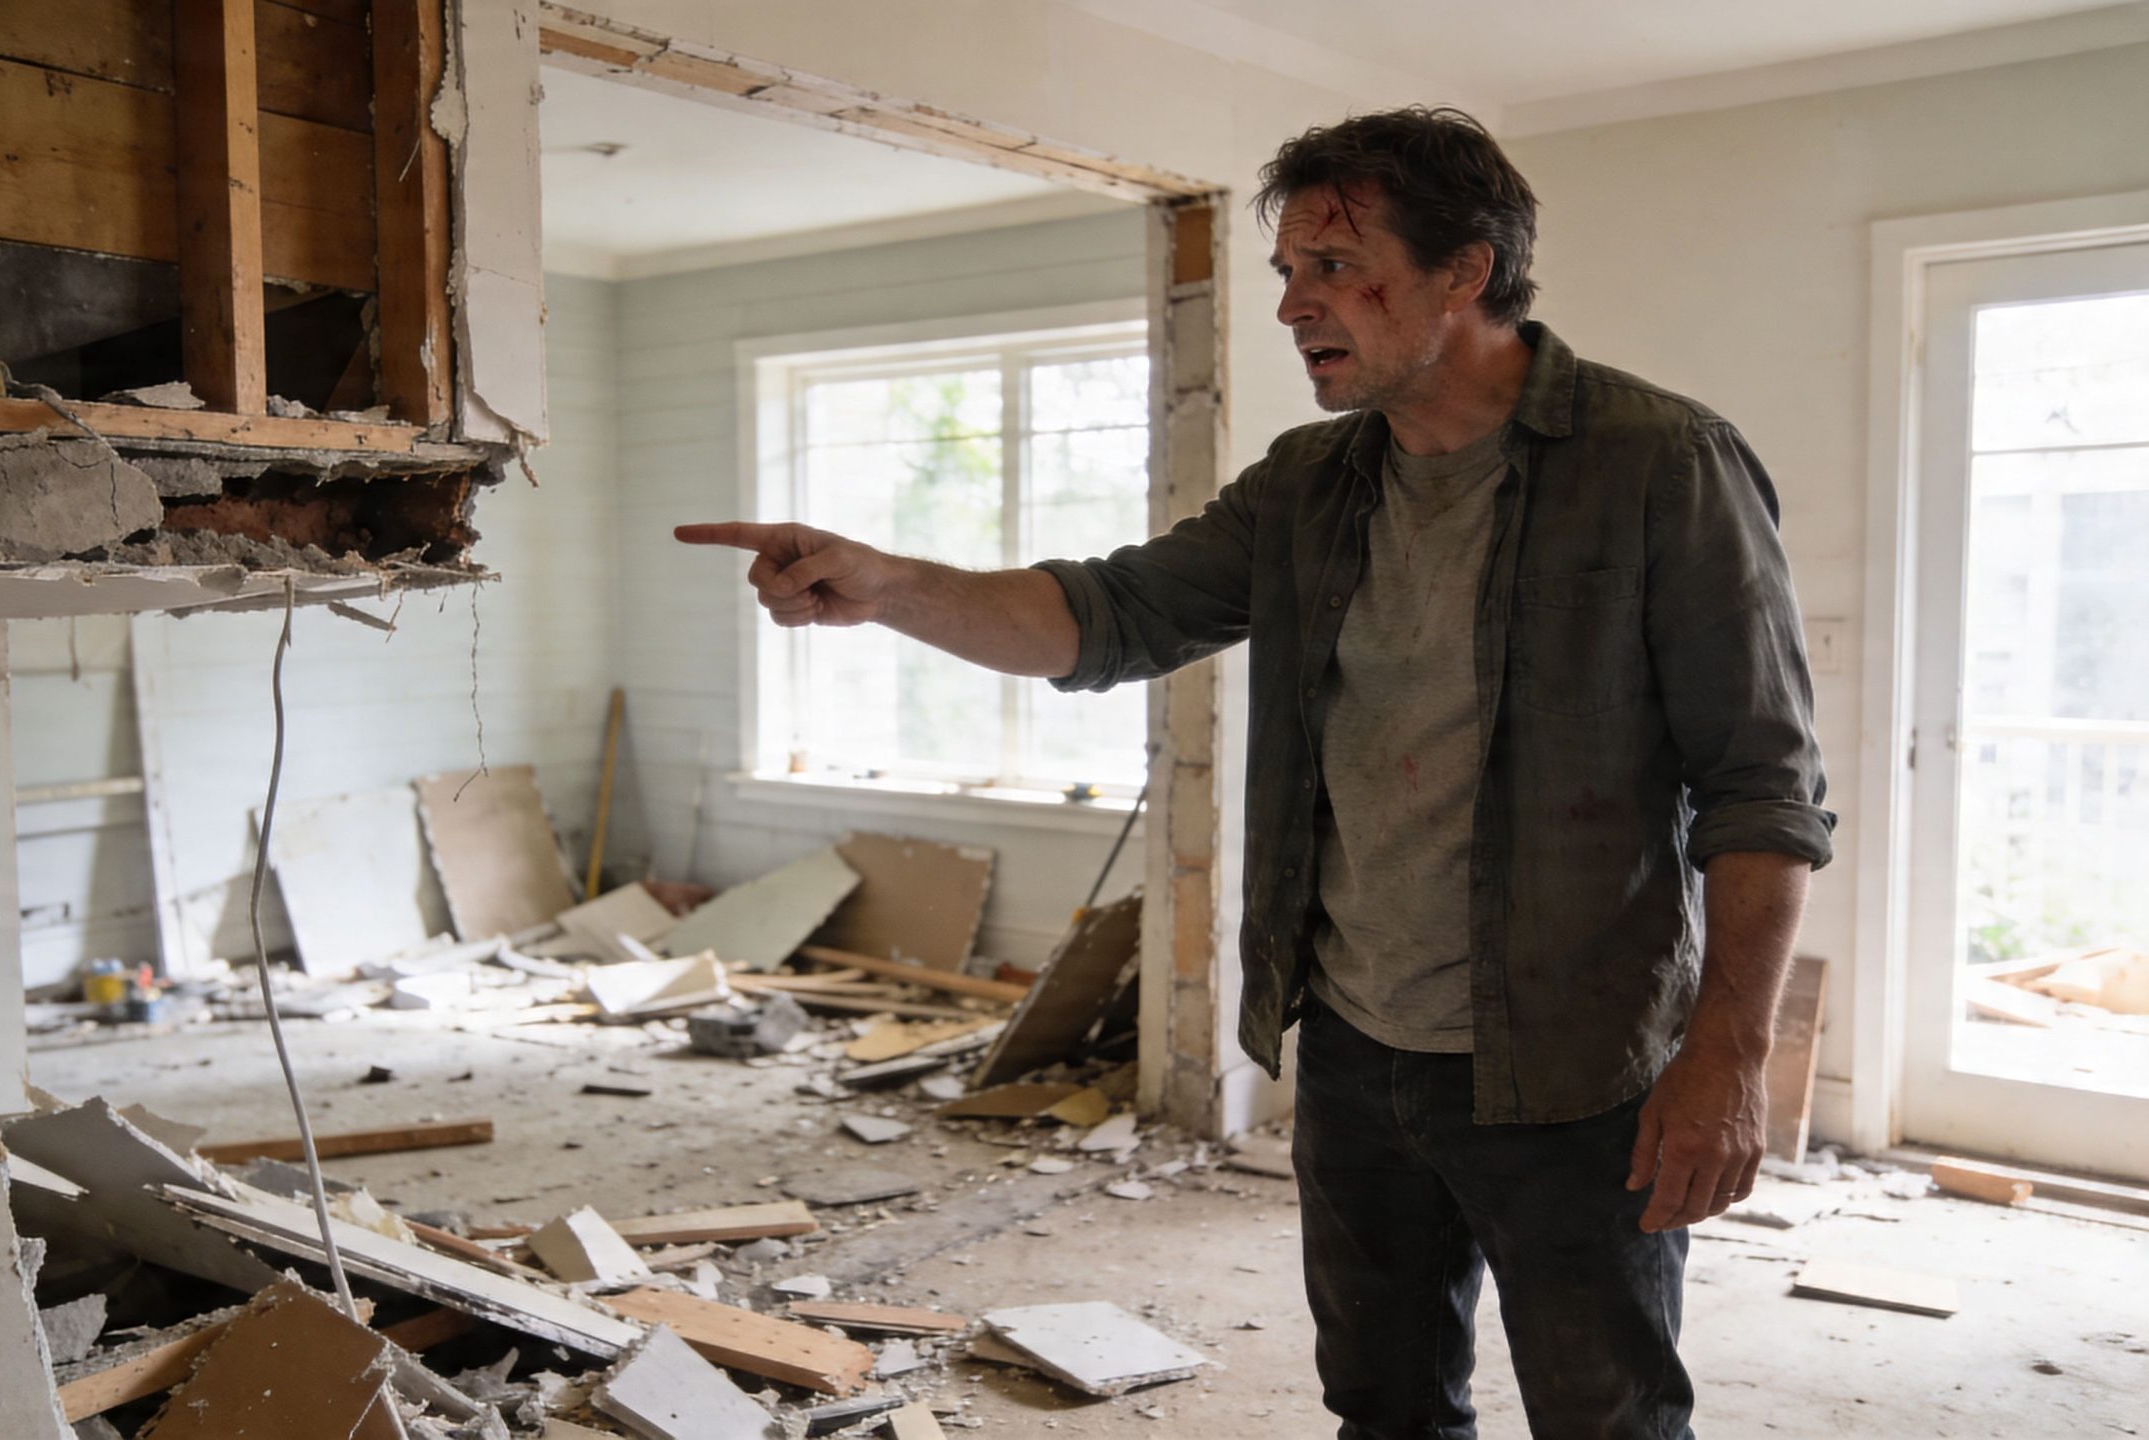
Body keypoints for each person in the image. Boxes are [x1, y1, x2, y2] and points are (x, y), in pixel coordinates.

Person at [678, 106, 1831, 1439]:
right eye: (1287, 271)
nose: (1294, 305)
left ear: (1466, 272)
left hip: (1573, 1065)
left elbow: (1762, 786)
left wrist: (1729, 1058)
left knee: (1609, 1415)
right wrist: (883, 586)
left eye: (1335, 267)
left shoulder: (1657, 465)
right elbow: (1104, 616)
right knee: (1384, 1405)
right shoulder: (1310, 485)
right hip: (1352, 1052)